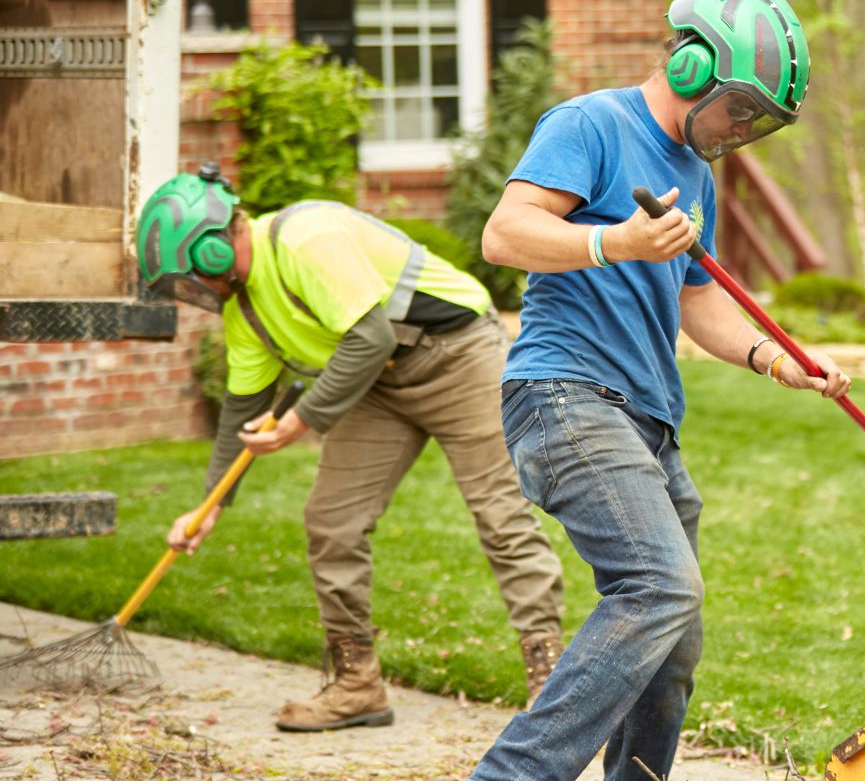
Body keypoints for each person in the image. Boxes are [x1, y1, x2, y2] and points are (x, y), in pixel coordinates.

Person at [440, 0, 851, 781]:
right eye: (740, 108)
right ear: (693, 62)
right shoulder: (588, 124)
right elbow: (506, 234)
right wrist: (613, 242)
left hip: (646, 420)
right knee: (657, 583)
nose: (743, 132)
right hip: (565, 395)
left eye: (762, 123)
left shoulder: (693, 174)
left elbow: (700, 301)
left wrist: (778, 360)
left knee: (674, 641)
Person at [137, 168, 567, 731]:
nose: (193, 292)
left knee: (501, 515)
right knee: (331, 521)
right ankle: (356, 682)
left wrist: (301, 422)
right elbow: (242, 414)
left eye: (189, 276)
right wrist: (209, 506)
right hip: (373, 381)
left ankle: (552, 686)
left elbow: (370, 336)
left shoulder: (304, 237)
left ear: (214, 249)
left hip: (457, 355)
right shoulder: (244, 312)